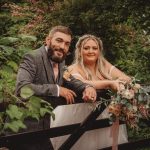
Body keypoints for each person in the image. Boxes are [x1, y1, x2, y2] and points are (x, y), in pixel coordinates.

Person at [13, 26, 97, 150]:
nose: (63, 47)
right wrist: (57, 89)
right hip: (24, 131)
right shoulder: (32, 57)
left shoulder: (60, 60)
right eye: (59, 40)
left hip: (46, 130)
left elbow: (70, 80)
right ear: (48, 40)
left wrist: (88, 87)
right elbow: (22, 88)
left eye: (67, 44)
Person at [50, 34, 131, 150]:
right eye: (86, 48)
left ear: (99, 50)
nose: (91, 51)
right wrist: (110, 83)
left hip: (105, 114)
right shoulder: (73, 68)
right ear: (80, 50)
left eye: (94, 48)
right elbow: (82, 83)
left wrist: (121, 83)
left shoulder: (104, 65)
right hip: (79, 117)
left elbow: (126, 79)